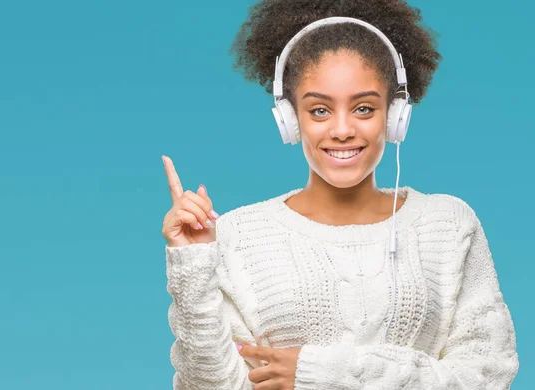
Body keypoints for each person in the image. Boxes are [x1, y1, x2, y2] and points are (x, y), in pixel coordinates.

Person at [161, 0, 519, 388]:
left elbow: (488, 374)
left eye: (364, 108)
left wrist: (322, 373)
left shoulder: (448, 226)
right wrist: (193, 263)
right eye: (319, 111)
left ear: (396, 115)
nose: (343, 129)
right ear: (289, 119)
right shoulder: (239, 235)